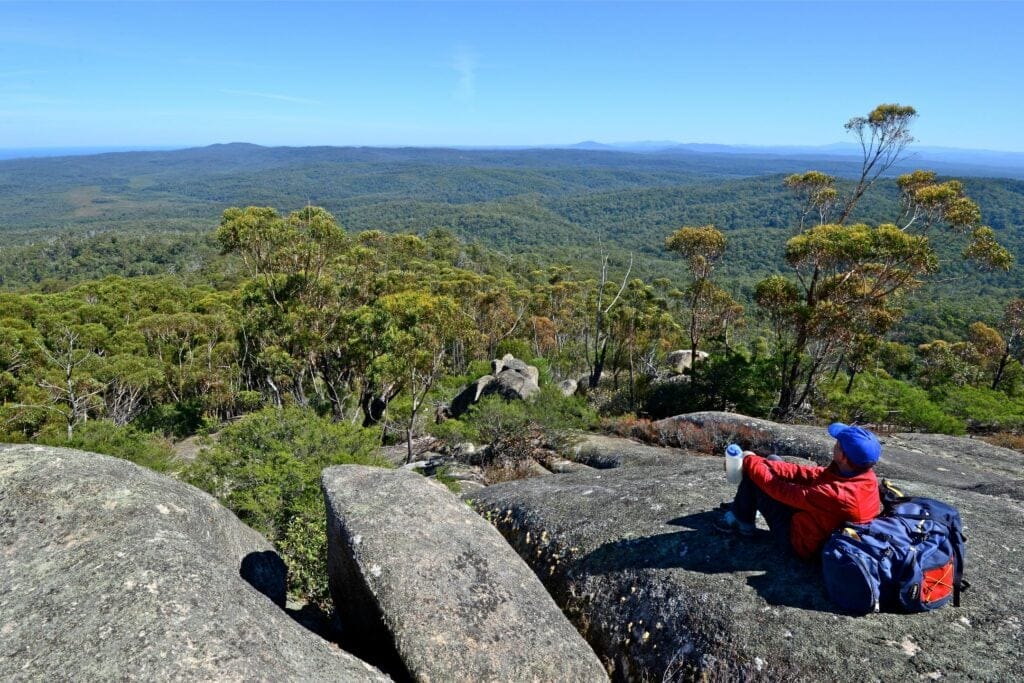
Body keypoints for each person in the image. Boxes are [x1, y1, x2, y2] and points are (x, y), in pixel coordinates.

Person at [714, 423, 882, 561]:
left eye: (837, 444)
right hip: (817, 523)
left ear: (844, 457)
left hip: (801, 544)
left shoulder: (837, 495)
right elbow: (809, 474)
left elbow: (780, 490)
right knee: (772, 461)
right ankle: (746, 505)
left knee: (756, 478)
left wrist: (749, 460)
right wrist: (765, 463)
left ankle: (742, 522)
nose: (834, 445)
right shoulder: (863, 475)